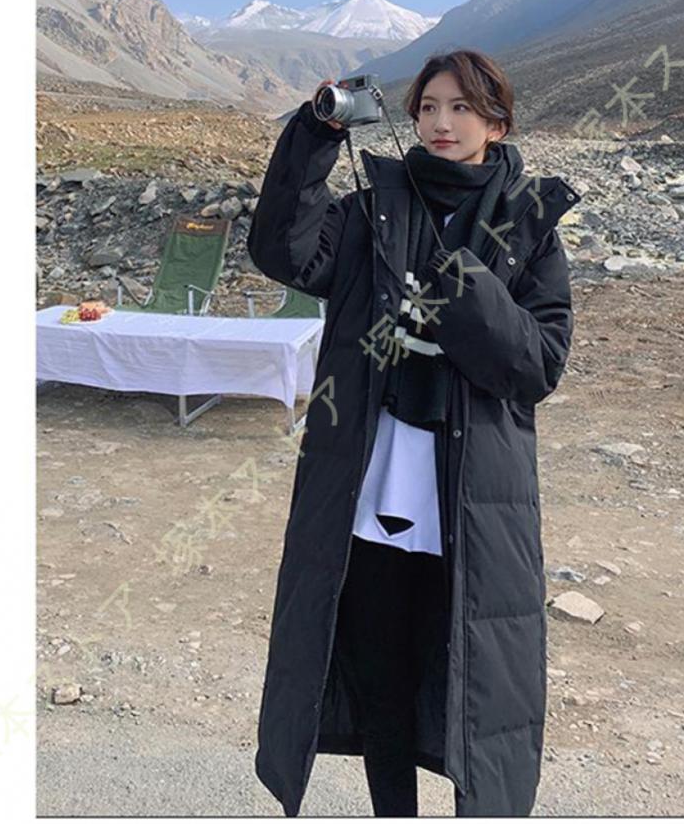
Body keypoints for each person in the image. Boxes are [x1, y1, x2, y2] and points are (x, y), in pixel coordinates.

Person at [248, 49, 581, 817]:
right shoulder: (372, 209)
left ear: (497, 125)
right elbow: (283, 251)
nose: (440, 122)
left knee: (475, 680)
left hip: (472, 503)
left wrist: (463, 288)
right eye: (428, 106)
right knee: (382, 679)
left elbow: (539, 364)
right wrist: (313, 137)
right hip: (368, 493)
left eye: (461, 107)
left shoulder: (529, 225)